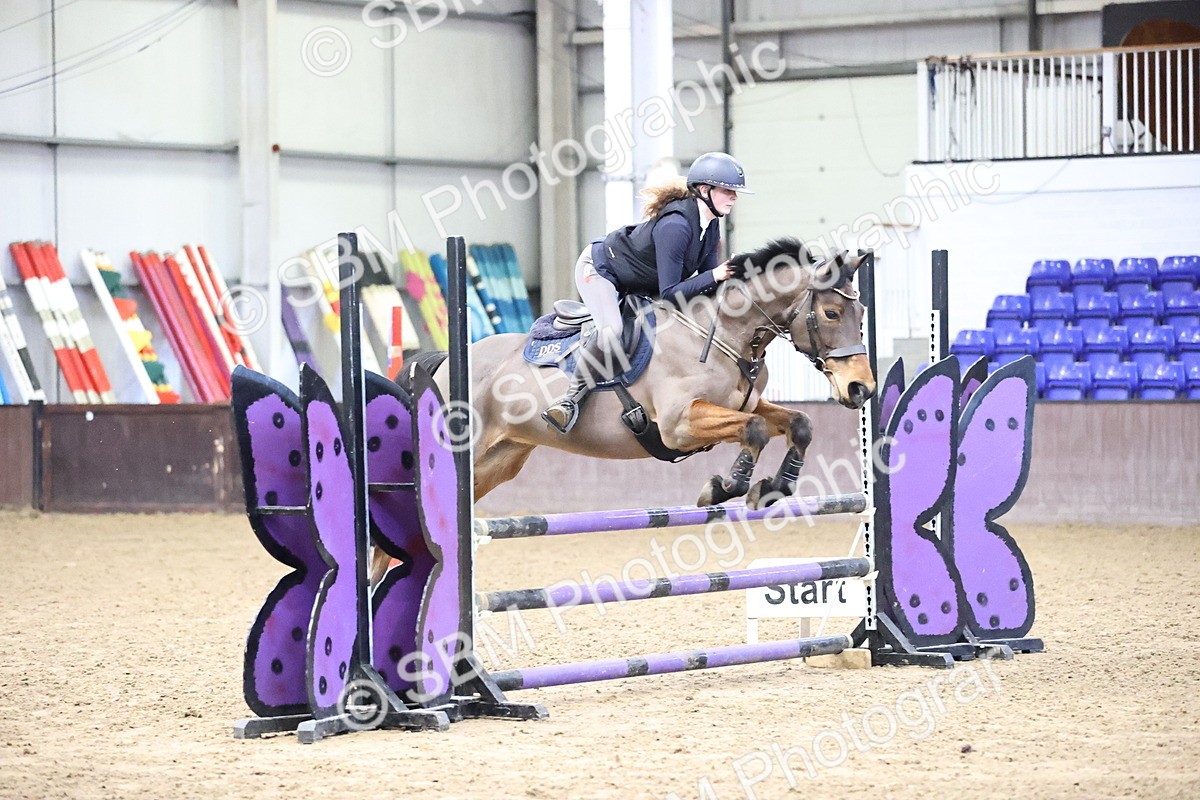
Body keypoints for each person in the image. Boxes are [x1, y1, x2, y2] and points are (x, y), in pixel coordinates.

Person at [541, 152, 752, 434]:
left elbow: (706, 287)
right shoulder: (675, 226)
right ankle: (568, 402)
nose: (734, 197)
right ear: (705, 190)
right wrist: (716, 275)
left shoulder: (711, 225)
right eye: (728, 190)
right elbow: (671, 293)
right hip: (600, 270)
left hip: (640, 282)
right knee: (612, 331)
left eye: (734, 192)